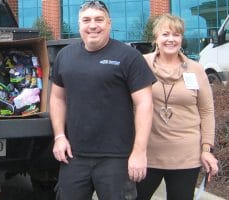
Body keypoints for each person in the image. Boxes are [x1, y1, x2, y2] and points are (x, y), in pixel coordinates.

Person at [50, 1, 156, 199]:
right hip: (74, 156)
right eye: (86, 20)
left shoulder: (129, 57)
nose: (92, 25)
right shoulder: (65, 56)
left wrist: (139, 152)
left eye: (99, 19)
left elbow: (145, 104)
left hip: (116, 158)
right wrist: (59, 137)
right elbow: (57, 98)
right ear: (79, 24)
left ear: (109, 23)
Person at [136, 14, 218, 200]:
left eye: (176, 34)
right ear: (156, 38)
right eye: (165, 34)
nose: (171, 39)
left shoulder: (195, 69)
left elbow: (206, 112)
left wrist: (207, 150)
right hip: (148, 154)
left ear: (182, 39)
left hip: (186, 156)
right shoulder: (140, 64)